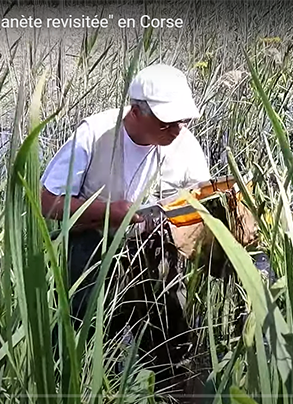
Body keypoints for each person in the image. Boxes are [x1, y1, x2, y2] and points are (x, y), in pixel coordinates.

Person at [39, 63, 211, 327]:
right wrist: (110, 212)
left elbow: (202, 199)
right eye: (168, 122)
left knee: (169, 333)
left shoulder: (185, 143)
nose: (178, 129)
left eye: (183, 119)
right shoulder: (93, 134)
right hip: (94, 244)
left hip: (158, 250)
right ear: (137, 111)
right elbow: (48, 203)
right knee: (85, 327)